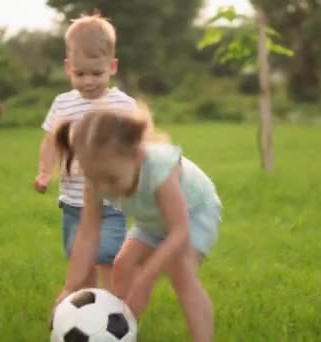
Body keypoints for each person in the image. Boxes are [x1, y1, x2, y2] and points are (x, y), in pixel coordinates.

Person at [52, 105, 222, 342]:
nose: (102, 188)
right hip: (152, 220)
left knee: (181, 271)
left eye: (110, 179)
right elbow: (88, 235)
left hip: (195, 213)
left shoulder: (159, 170)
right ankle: (119, 328)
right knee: (122, 264)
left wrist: (146, 279)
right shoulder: (98, 179)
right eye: (92, 178)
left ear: (137, 155)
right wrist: (71, 286)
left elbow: (179, 232)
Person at [34, 12, 135, 291]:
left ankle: (111, 304)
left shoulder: (123, 105)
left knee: (107, 255)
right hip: (73, 202)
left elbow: (137, 147)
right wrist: (44, 172)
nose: (88, 81)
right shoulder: (63, 104)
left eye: (97, 73)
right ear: (68, 68)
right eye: (80, 74)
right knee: (79, 257)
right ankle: (85, 303)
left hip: (111, 202)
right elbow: (51, 142)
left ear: (112, 67)